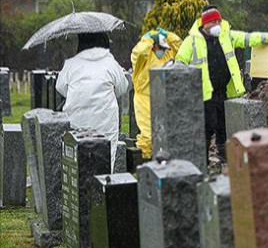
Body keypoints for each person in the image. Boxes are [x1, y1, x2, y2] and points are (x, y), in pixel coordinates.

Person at [176, 5, 268, 164]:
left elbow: (248, 38)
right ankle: (202, 160)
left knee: (223, 125)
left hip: (224, 91)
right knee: (206, 127)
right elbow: (180, 62)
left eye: (218, 21)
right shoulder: (192, 41)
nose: (216, 25)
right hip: (203, 93)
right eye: (212, 22)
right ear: (204, 23)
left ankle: (223, 157)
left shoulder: (227, 36)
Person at [56, 32, 130, 171]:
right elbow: (122, 88)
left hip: (76, 121)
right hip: (105, 122)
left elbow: (60, 87)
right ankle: (101, 190)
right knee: (106, 161)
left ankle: (79, 191)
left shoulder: (71, 63)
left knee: (78, 162)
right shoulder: (110, 63)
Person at [130, 28, 182, 160]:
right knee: (148, 134)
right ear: (154, 45)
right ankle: (145, 161)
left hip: (163, 98)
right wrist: (148, 39)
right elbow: (139, 52)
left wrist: (168, 35)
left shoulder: (167, 55)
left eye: (165, 47)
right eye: (160, 47)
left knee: (166, 132)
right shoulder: (143, 59)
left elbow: (179, 46)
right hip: (144, 98)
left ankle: (162, 161)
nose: (163, 50)